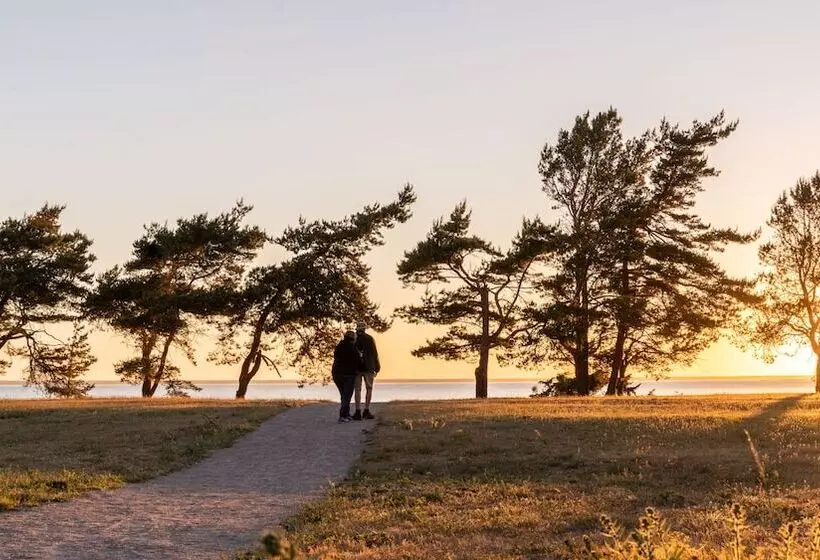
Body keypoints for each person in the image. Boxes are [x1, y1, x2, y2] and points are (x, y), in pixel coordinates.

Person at [352, 321, 380, 420]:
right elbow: (375, 353)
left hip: (357, 368)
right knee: (369, 388)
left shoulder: (354, 339)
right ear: (365, 329)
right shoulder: (370, 338)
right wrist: (377, 367)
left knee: (357, 390)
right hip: (369, 367)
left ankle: (358, 411)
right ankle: (366, 410)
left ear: (357, 328)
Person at [332, 330, 362, 423]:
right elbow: (359, 362)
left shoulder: (339, 347)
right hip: (349, 374)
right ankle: (342, 415)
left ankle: (346, 414)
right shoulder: (353, 348)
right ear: (353, 339)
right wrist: (360, 355)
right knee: (347, 396)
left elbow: (336, 356)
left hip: (337, 374)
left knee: (343, 395)